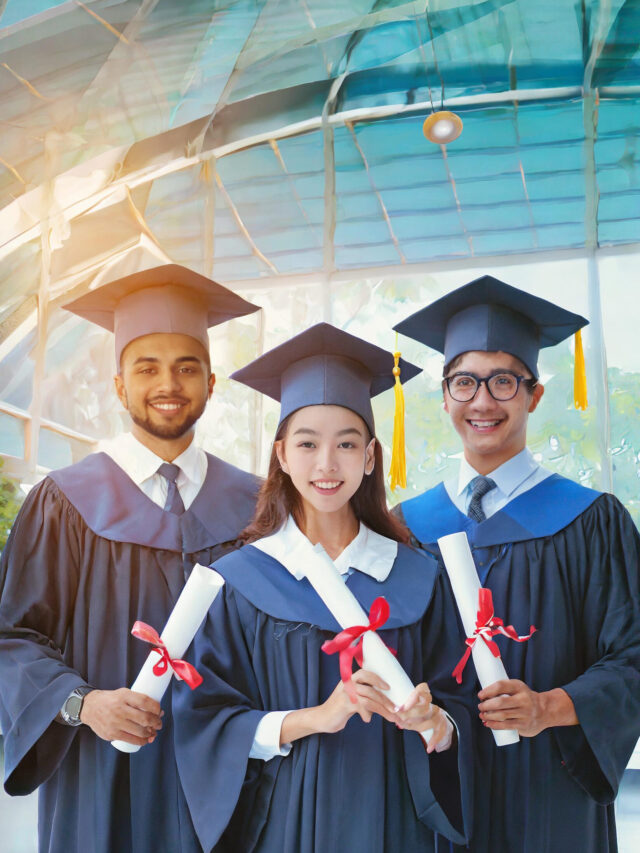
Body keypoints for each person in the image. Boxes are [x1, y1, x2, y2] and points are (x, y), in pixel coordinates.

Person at [172, 322, 474, 853]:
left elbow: (462, 705)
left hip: (399, 824)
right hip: (285, 826)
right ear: (283, 456)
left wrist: (438, 722)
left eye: (347, 444)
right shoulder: (242, 580)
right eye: (308, 444)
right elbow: (205, 719)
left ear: (371, 456)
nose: (327, 464)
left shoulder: (419, 578)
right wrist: (317, 718)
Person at [0, 264, 262, 853]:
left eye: (185, 367)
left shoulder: (255, 505)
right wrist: (83, 704)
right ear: (119, 386)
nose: (167, 383)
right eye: (147, 368)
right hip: (101, 777)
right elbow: (12, 636)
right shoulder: (64, 500)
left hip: (225, 775)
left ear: (212, 383)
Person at [393, 275, 640, 853]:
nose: (482, 401)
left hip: (550, 789)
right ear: (445, 395)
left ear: (534, 395)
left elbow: (633, 656)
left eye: (503, 381)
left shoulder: (592, 521)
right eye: (465, 382)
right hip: (437, 789)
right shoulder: (404, 526)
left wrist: (548, 708)